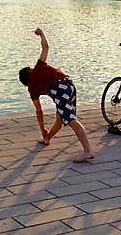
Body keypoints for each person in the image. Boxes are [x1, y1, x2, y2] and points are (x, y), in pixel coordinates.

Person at [19, 27, 94, 163]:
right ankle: (47, 139)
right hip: (69, 84)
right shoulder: (38, 67)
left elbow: (39, 111)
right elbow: (46, 47)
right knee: (60, 118)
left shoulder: (31, 88)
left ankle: (88, 151)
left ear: (25, 83)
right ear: (30, 70)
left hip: (60, 90)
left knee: (71, 120)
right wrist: (41, 33)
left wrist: (42, 128)